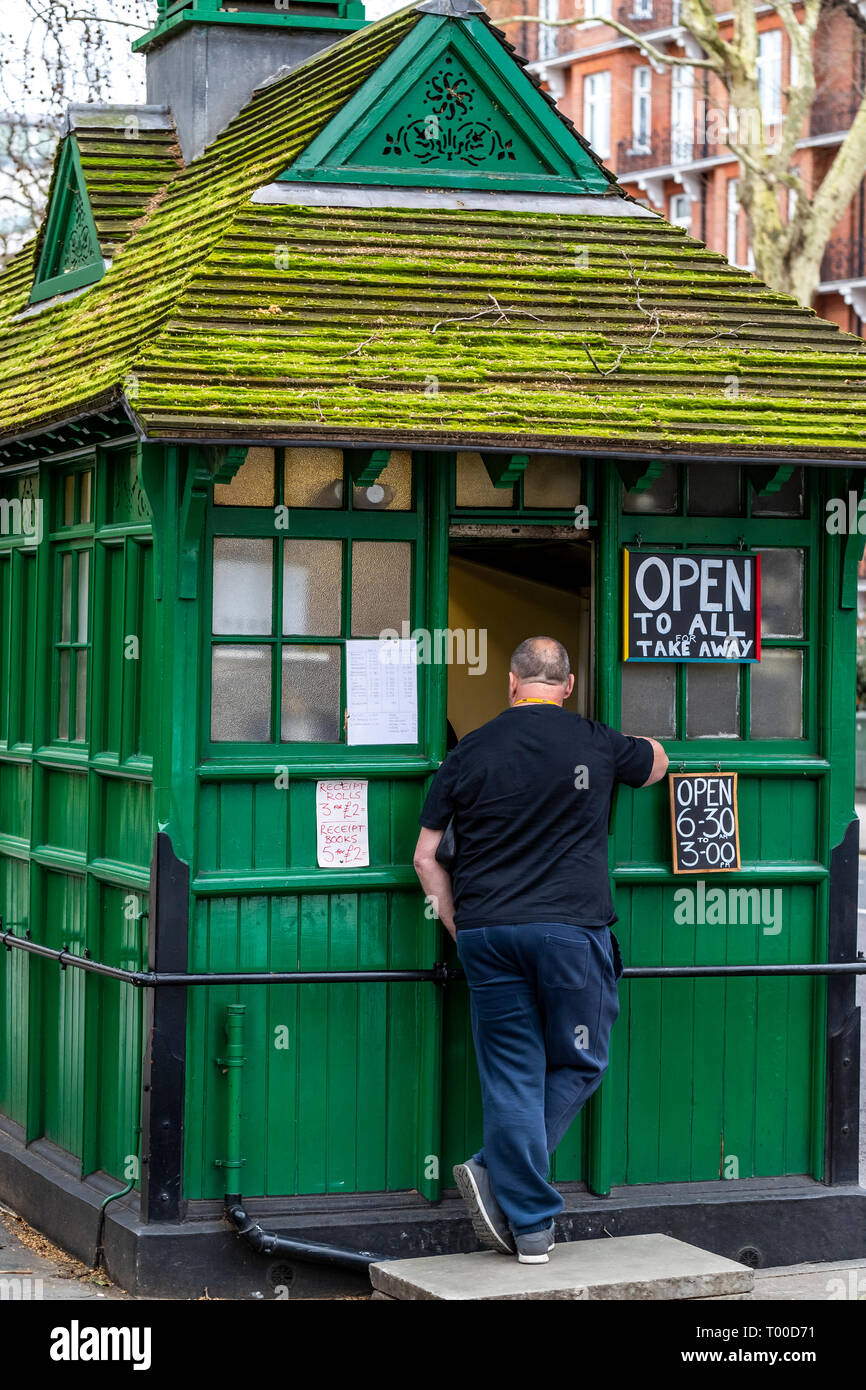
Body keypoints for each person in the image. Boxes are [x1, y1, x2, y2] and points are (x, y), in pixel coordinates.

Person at [413, 636, 667, 1265]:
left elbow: (424, 855)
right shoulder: (595, 742)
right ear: (569, 685)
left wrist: (457, 924)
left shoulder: (468, 751)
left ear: (510, 683)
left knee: (511, 1075)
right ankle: (499, 1174)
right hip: (569, 934)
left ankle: (530, 1231)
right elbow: (658, 762)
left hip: (486, 933)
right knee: (582, 1061)